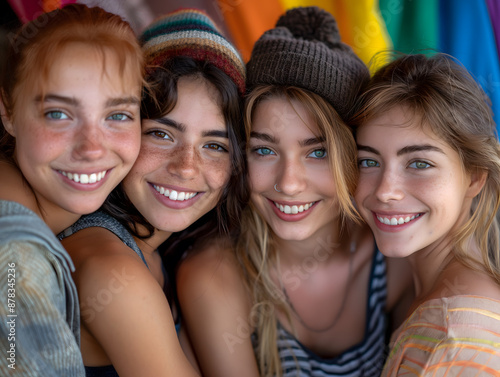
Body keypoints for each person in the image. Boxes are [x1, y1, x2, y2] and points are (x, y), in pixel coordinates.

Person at [176, 6, 414, 377]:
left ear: (355, 157)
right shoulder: (215, 277)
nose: (288, 183)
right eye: (265, 150)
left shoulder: (394, 254)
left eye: (318, 152)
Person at [59, 8, 247, 377]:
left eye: (215, 146)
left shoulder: (166, 252)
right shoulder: (112, 272)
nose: (186, 167)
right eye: (161, 134)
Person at [0, 4, 144, 376]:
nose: (92, 148)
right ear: (7, 112)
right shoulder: (17, 267)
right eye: (59, 114)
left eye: (117, 115)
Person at [351, 53, 500, 375]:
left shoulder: (458, 342)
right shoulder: (419, 292)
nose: (385, 190)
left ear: (474, 176)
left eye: (420, 164)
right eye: (368, 161)